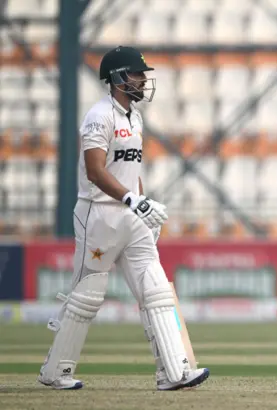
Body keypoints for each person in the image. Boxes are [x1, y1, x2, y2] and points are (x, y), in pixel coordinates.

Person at [37, 46, 210, 390]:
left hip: (131, 215)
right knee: (87, 297)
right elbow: (95, 171)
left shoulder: (135, 116)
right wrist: (133, 199)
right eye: (137, 74)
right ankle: (56, 371)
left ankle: (174, 372)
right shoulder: (99, 116)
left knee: (157, 291)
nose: (143, 80)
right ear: (117, 78)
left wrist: (142, 204)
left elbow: (132, 170)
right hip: (97, 214)